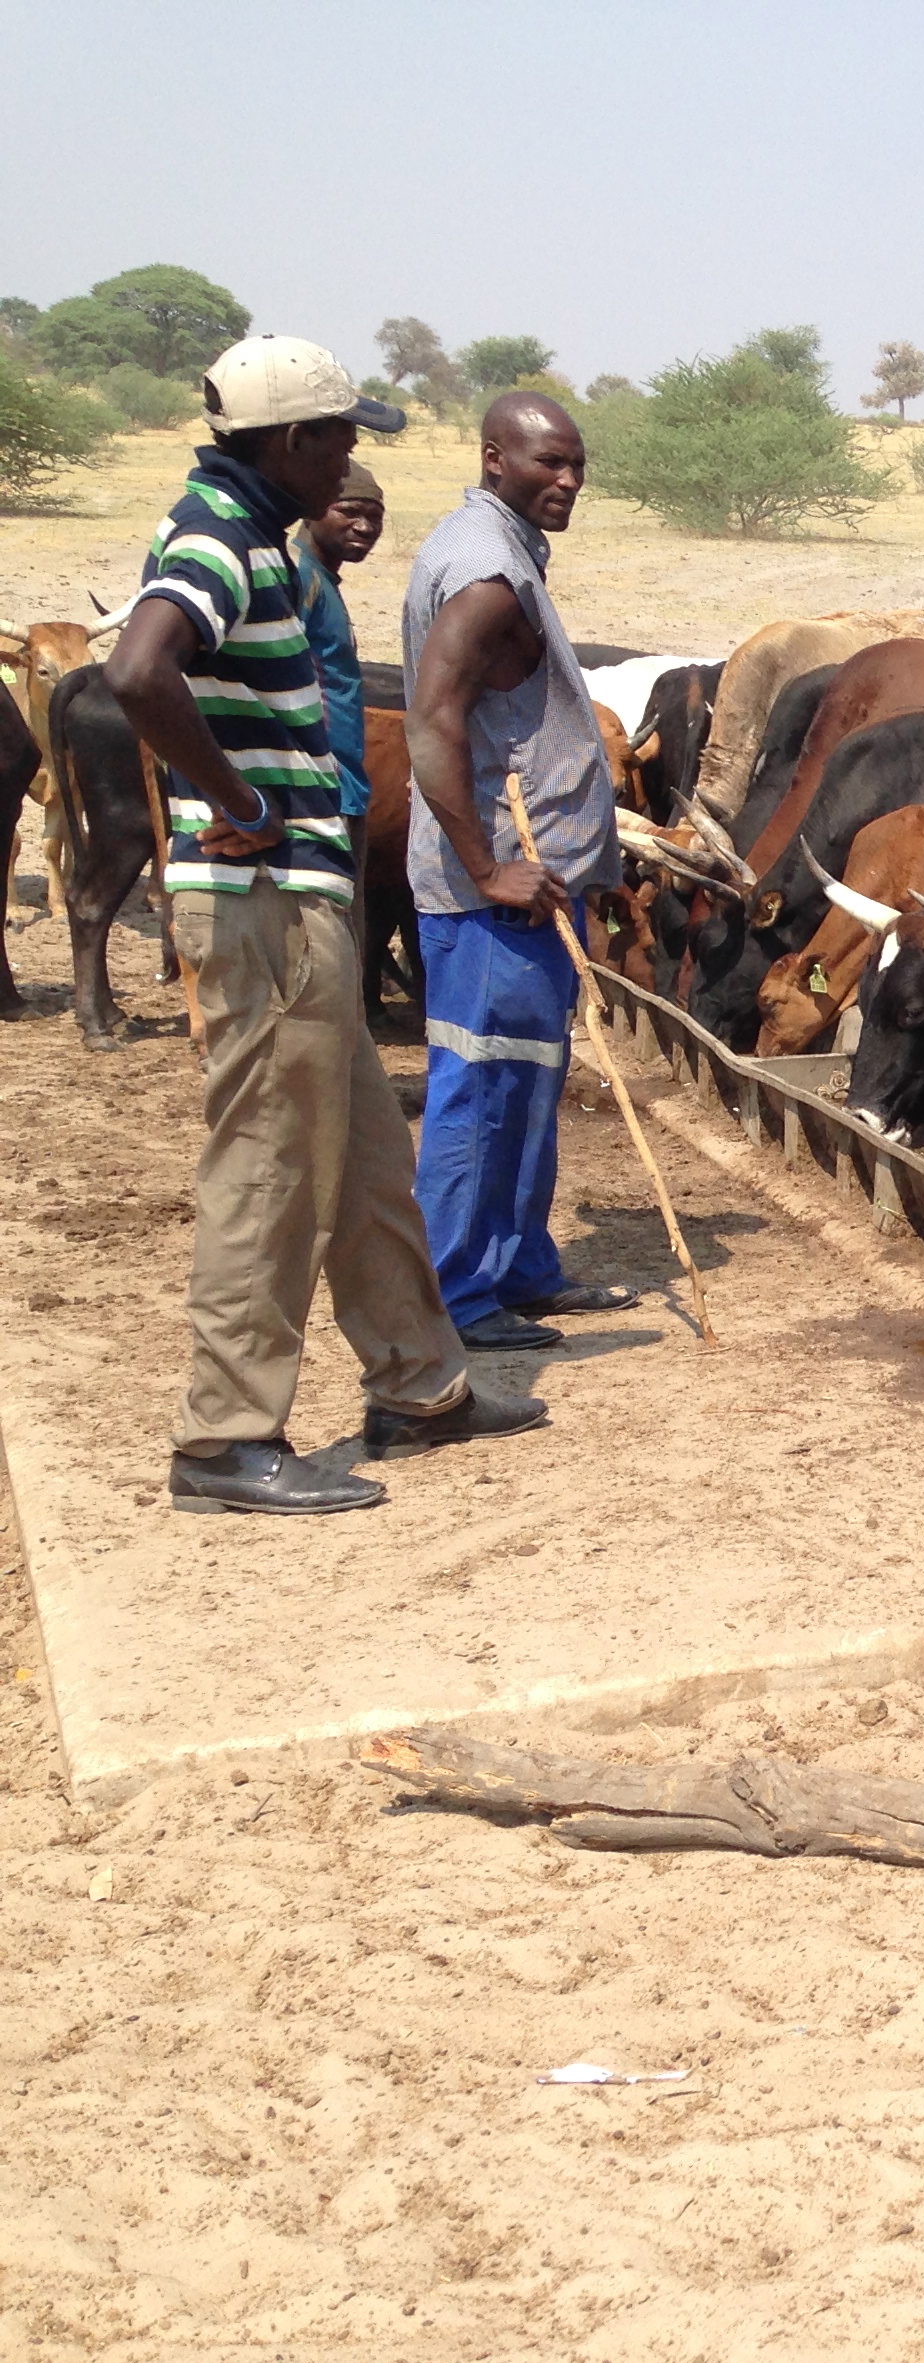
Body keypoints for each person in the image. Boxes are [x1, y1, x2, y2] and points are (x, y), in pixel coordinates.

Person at [108, 337, 546, 1516]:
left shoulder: (256, 536)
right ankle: (223, 1437)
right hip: (259, 901)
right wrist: (240, 802)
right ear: (292, 442)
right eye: (342, 436)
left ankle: (419, 1387)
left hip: (298, 902)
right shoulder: (219, 538)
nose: (351, 457)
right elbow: (139, 669)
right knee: (267, 1167)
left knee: (361, 1164)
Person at [402, 391, 630, 1348]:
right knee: (481, 1087)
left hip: (538, 892)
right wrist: (487, 865)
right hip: (498, 895)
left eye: (577, 464)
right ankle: (455, 1295)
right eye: (548, 464)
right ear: (495, 457)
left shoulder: (496, 552)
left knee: (529, 1079)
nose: (568, 482)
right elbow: (434, 718)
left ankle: (521, 1267)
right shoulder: (488, 571)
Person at [294, 458, 384, 839]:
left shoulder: (321, 580)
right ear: (312, 508)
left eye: (375, 517)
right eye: (348, 511)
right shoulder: (297, 576)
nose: (364, 527)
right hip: (311, 795)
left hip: (342, 787)